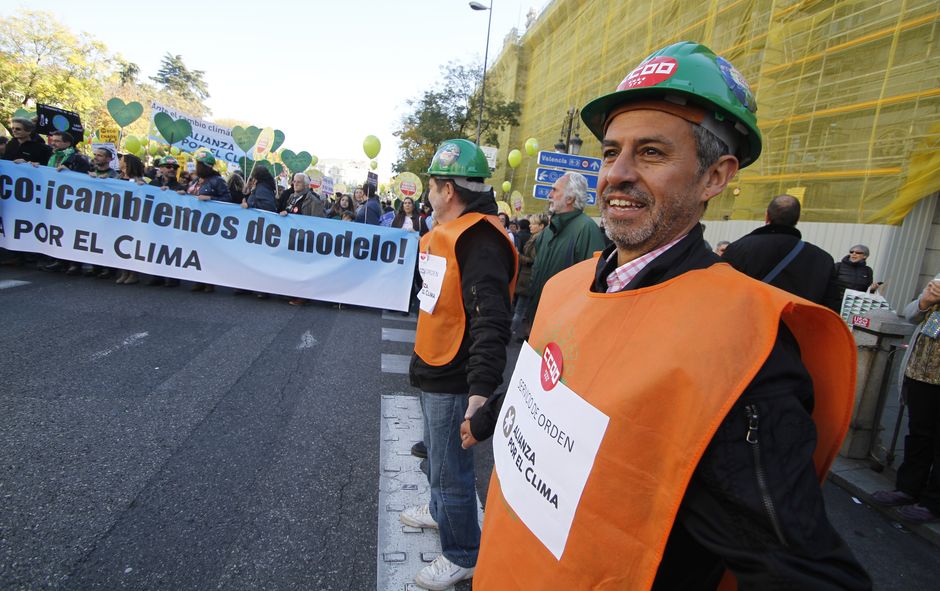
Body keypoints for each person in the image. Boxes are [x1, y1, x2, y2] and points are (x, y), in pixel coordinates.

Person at [467, 42, 870, 590]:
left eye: (652, 153)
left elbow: (801, 570)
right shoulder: (569, 285)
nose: (618, 175)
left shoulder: (743, 347)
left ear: (715, 177)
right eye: (611, 153)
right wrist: (489, 414)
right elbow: (545, 385)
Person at [401, 139, 516, 590]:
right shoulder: (453, 230)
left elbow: (492, 321)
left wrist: (479, 394)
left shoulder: (479, 240)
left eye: (432, 184)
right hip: (434, 365)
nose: (428, 193)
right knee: (435, 456)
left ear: (447, 189)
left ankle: (463, 553)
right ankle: (438, 512)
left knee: (451, 470)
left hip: (453, 377)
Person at [873, 276, 940, 523]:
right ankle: (908, 489)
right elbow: (911, 314)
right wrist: (925, 301)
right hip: (921, 373)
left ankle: (933, 502)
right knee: (918, 433)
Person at [722, 194, 841, 308]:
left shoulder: (739, 248)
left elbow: (721, 292)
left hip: (749, 325)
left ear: (767, 216)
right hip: (795, 327)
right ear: (797, 219)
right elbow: (830, 307)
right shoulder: (822, 260)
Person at [524, 171, 606, 333]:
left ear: (570, 199)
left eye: (555, 190)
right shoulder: (548, 231)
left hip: (564, 329)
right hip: (537, 321)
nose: (549, 194)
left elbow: (594, 283)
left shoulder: (587, 229)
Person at [185, 153, 231, 293]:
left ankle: (208, 281)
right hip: (193, 221)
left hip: (208, 222)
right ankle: (198, 279)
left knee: (207, 253)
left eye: (200, 164)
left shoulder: (217, 181)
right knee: (195, 251)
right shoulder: (196, 181)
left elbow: (228, 199)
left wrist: (210, 198)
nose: (197, 167)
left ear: (207, 166)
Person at [509, 214, 547, 337]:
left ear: (541, 226)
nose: (530, 225)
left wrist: (518, 255)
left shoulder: (539, 239)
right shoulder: (535, 237)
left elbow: (534, 260)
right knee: (522, 309)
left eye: (533, 223)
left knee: (520, 309)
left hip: (529, 278)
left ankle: (510, 332)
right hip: (526, 277)